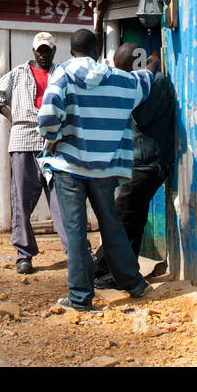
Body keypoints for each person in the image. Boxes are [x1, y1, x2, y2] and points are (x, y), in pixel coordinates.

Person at [38, 28, 153, 312]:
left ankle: (80, 298)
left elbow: (48, 115)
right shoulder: (119, 79)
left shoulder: (63, 74)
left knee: (76, 232)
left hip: (70, 166)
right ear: (98, 48)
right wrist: (153, 62)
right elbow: (145, 82)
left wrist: (54, 137)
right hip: (104, 168)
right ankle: (135, 284)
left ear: (70, 50)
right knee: (111, 226)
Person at [0, 31, 82, 274]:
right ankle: (24, 254)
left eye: (47, 50)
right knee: (22, 202)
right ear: (34, 51)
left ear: (54, 51)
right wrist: (13, 117)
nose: (43, 54)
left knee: (63, 202)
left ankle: (76, 253)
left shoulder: (62, 75)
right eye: (40, 50)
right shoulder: (18, 74)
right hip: (24, 143)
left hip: (55, 145)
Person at [95, 48, 177, 287]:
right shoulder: (143, 82)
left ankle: (116, 272)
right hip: (141, 163)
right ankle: (107, 270)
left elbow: (142, 116)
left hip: (149, 164)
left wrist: (146, 76)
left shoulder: (156, 83)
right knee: (130, 218)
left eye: (123, 70)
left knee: (122, 219)